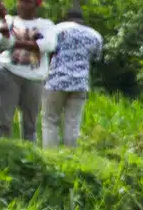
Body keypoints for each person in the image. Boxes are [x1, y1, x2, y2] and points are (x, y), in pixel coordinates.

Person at [0, 0, 57, 142]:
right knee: (3, 119)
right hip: (7, 72)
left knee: (30, 124)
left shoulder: (46, 25)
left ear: (36, 4)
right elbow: (4, 42)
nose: (22, 4)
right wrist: (4, 24)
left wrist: (15, 42)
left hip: (34, 77)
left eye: (27, 1)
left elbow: (48, 45)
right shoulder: (8, 21)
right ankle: (0, 151)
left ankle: (28, 156)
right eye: (20, 0)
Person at [41, 9, 104, 148]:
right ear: (82, 20)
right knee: (73, 123)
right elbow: (95, 58)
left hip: (56, 81)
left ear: (66, 18)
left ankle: (51, 155)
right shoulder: (95, 35)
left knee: (50, 120)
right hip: (80, 83)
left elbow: (46, 50)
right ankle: (71, 156)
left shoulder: (56, 30)